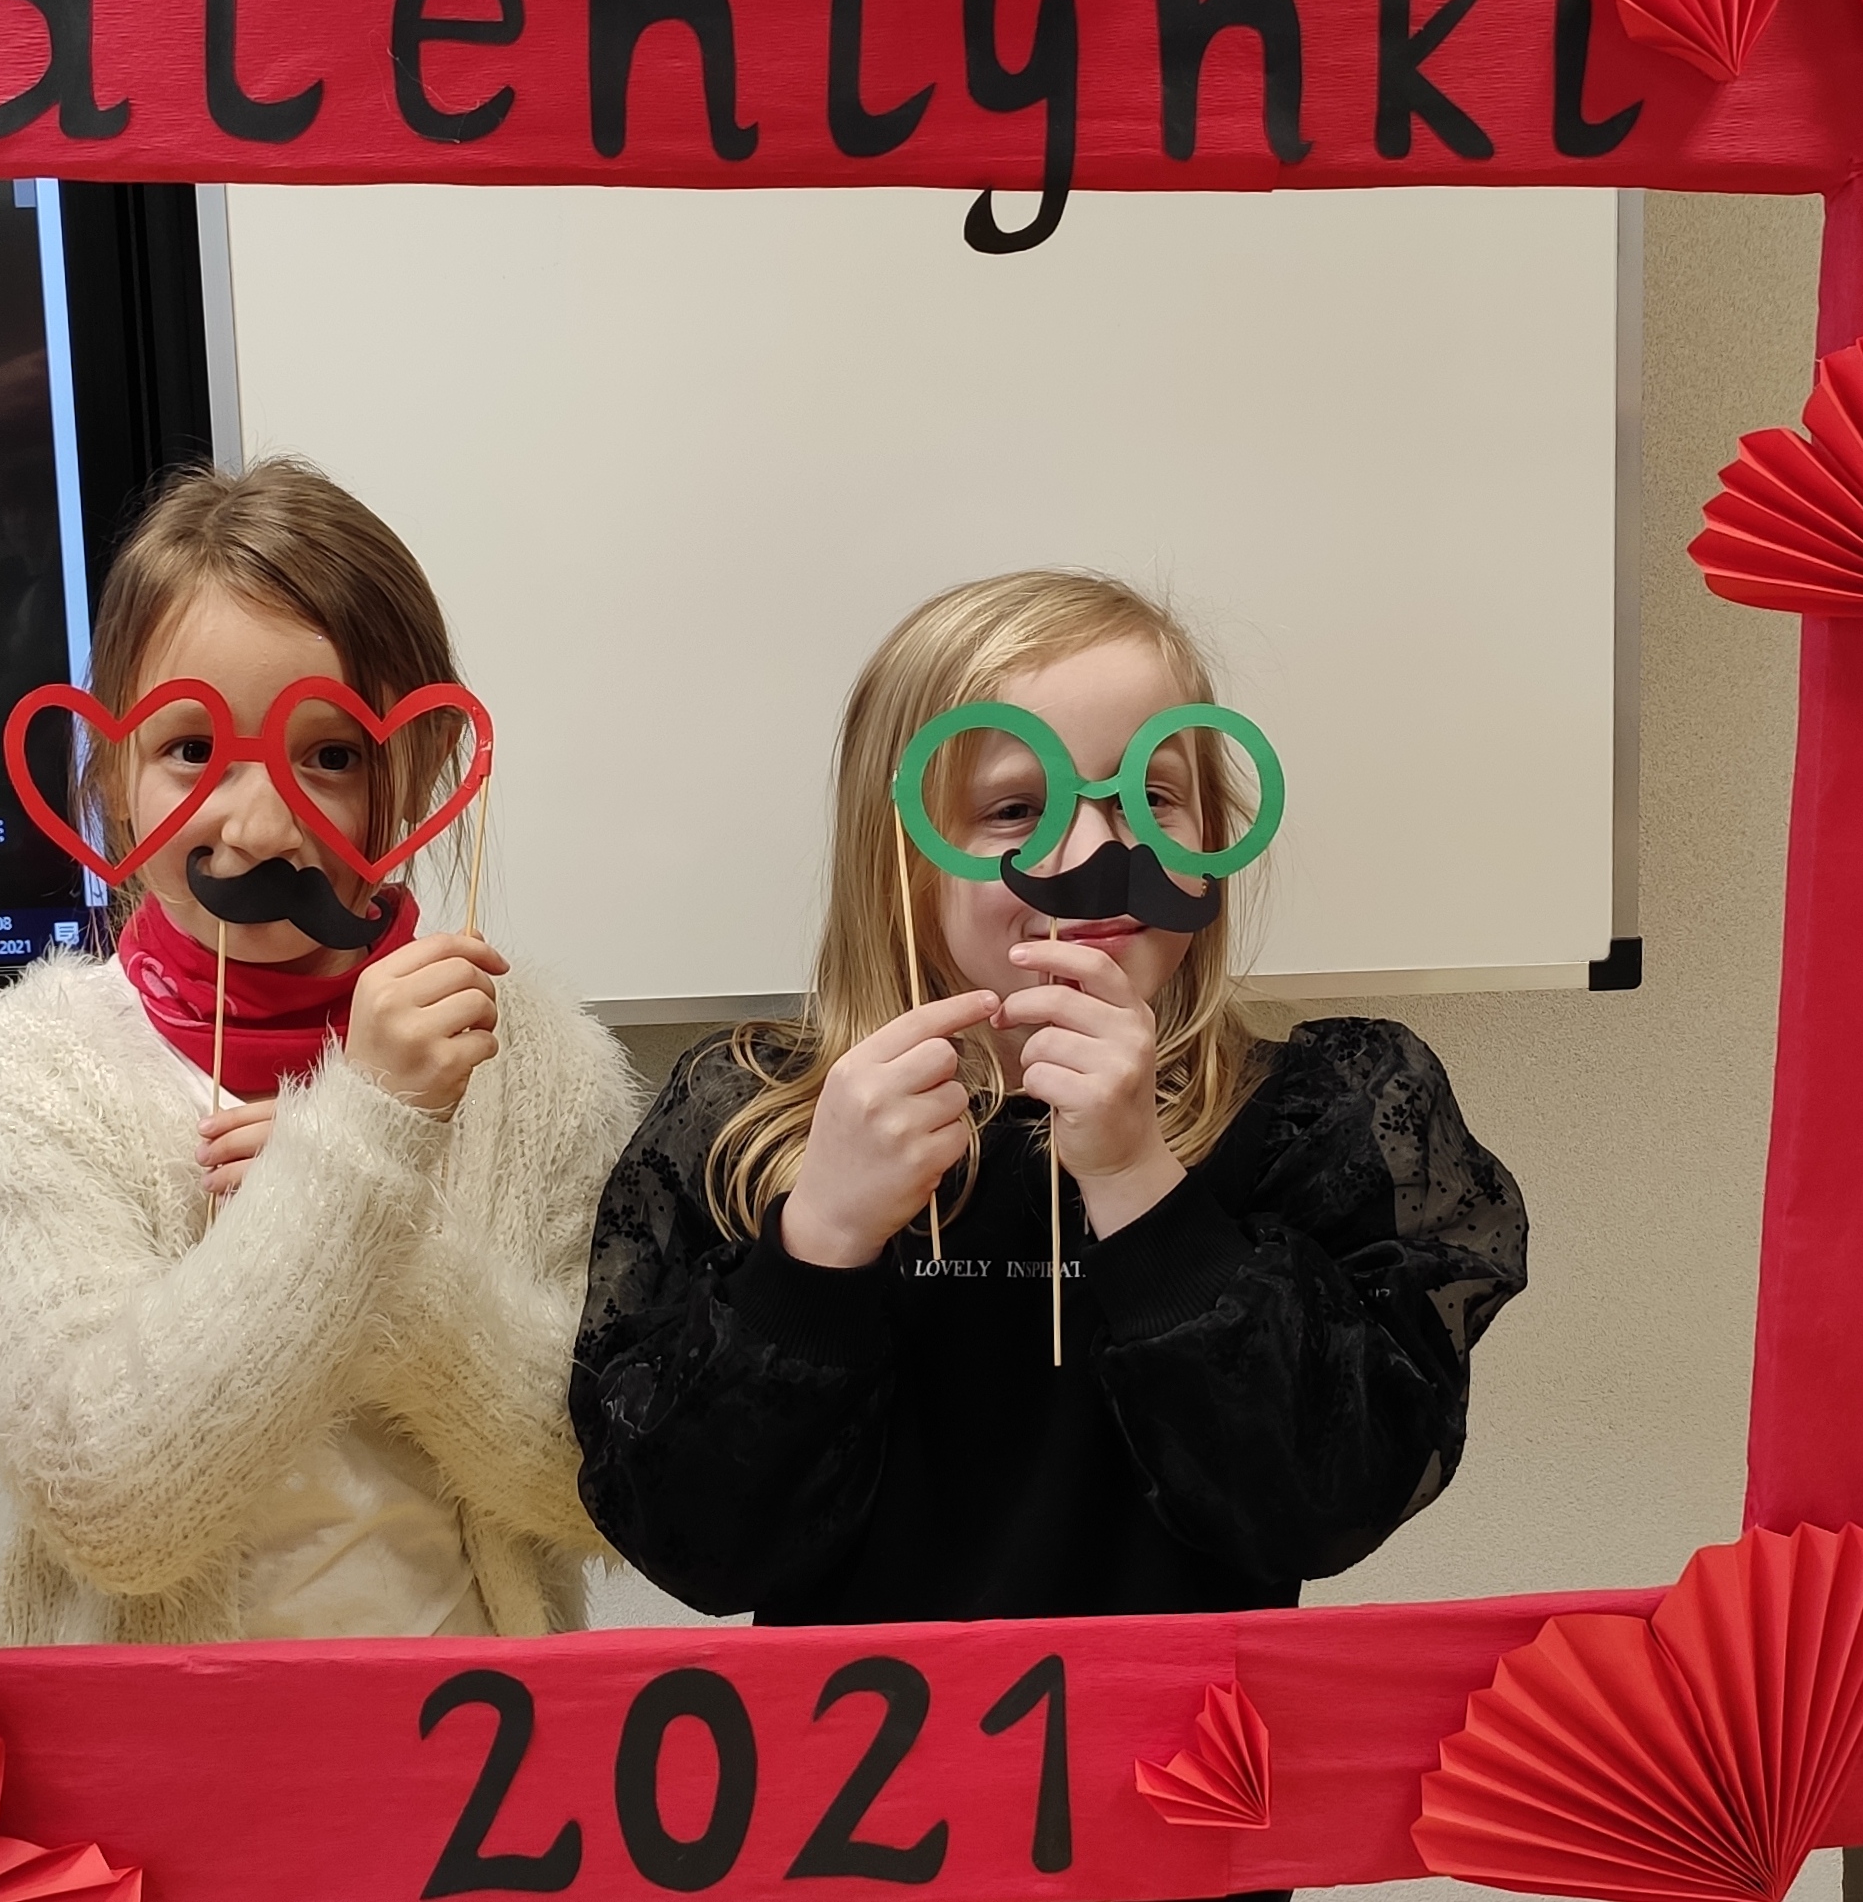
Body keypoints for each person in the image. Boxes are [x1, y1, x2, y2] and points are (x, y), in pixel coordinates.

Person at [571, 569, 1526, 1624]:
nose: (1097, 855)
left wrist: (1136, 1179)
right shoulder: (753, 1119)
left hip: (1182, 1725)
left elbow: (1320, 1503)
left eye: (1150, 798)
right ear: (898, 856)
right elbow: (698, 1546)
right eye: (1015, 809)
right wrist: (821, 1236)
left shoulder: (1317, 1113)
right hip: (865, 1728)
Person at [0, 457, 637, 1646]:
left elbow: (598, 1479)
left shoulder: (538, 1066)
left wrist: (386, 1261)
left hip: (475, 1745)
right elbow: (109, 1508)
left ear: (415, 772)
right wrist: (351, 1157)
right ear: (113, 774)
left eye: (330, 756)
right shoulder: (25, 1080)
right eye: (189, 747)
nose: (253, 826)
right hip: (162, 1756)